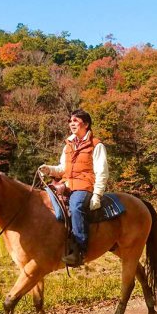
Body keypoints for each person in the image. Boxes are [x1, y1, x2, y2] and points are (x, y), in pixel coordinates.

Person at [39, 109, 109, 266]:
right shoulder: (68, 145)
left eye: (75, 121)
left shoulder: (96, 145)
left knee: (76, 207)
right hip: (67, 184)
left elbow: (102, 172)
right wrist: (48, 169)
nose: (72, 124)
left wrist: (97, 195)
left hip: (84, 186)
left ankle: (80, 250)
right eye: (70, 121)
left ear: (86, 124)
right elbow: (62, 168)